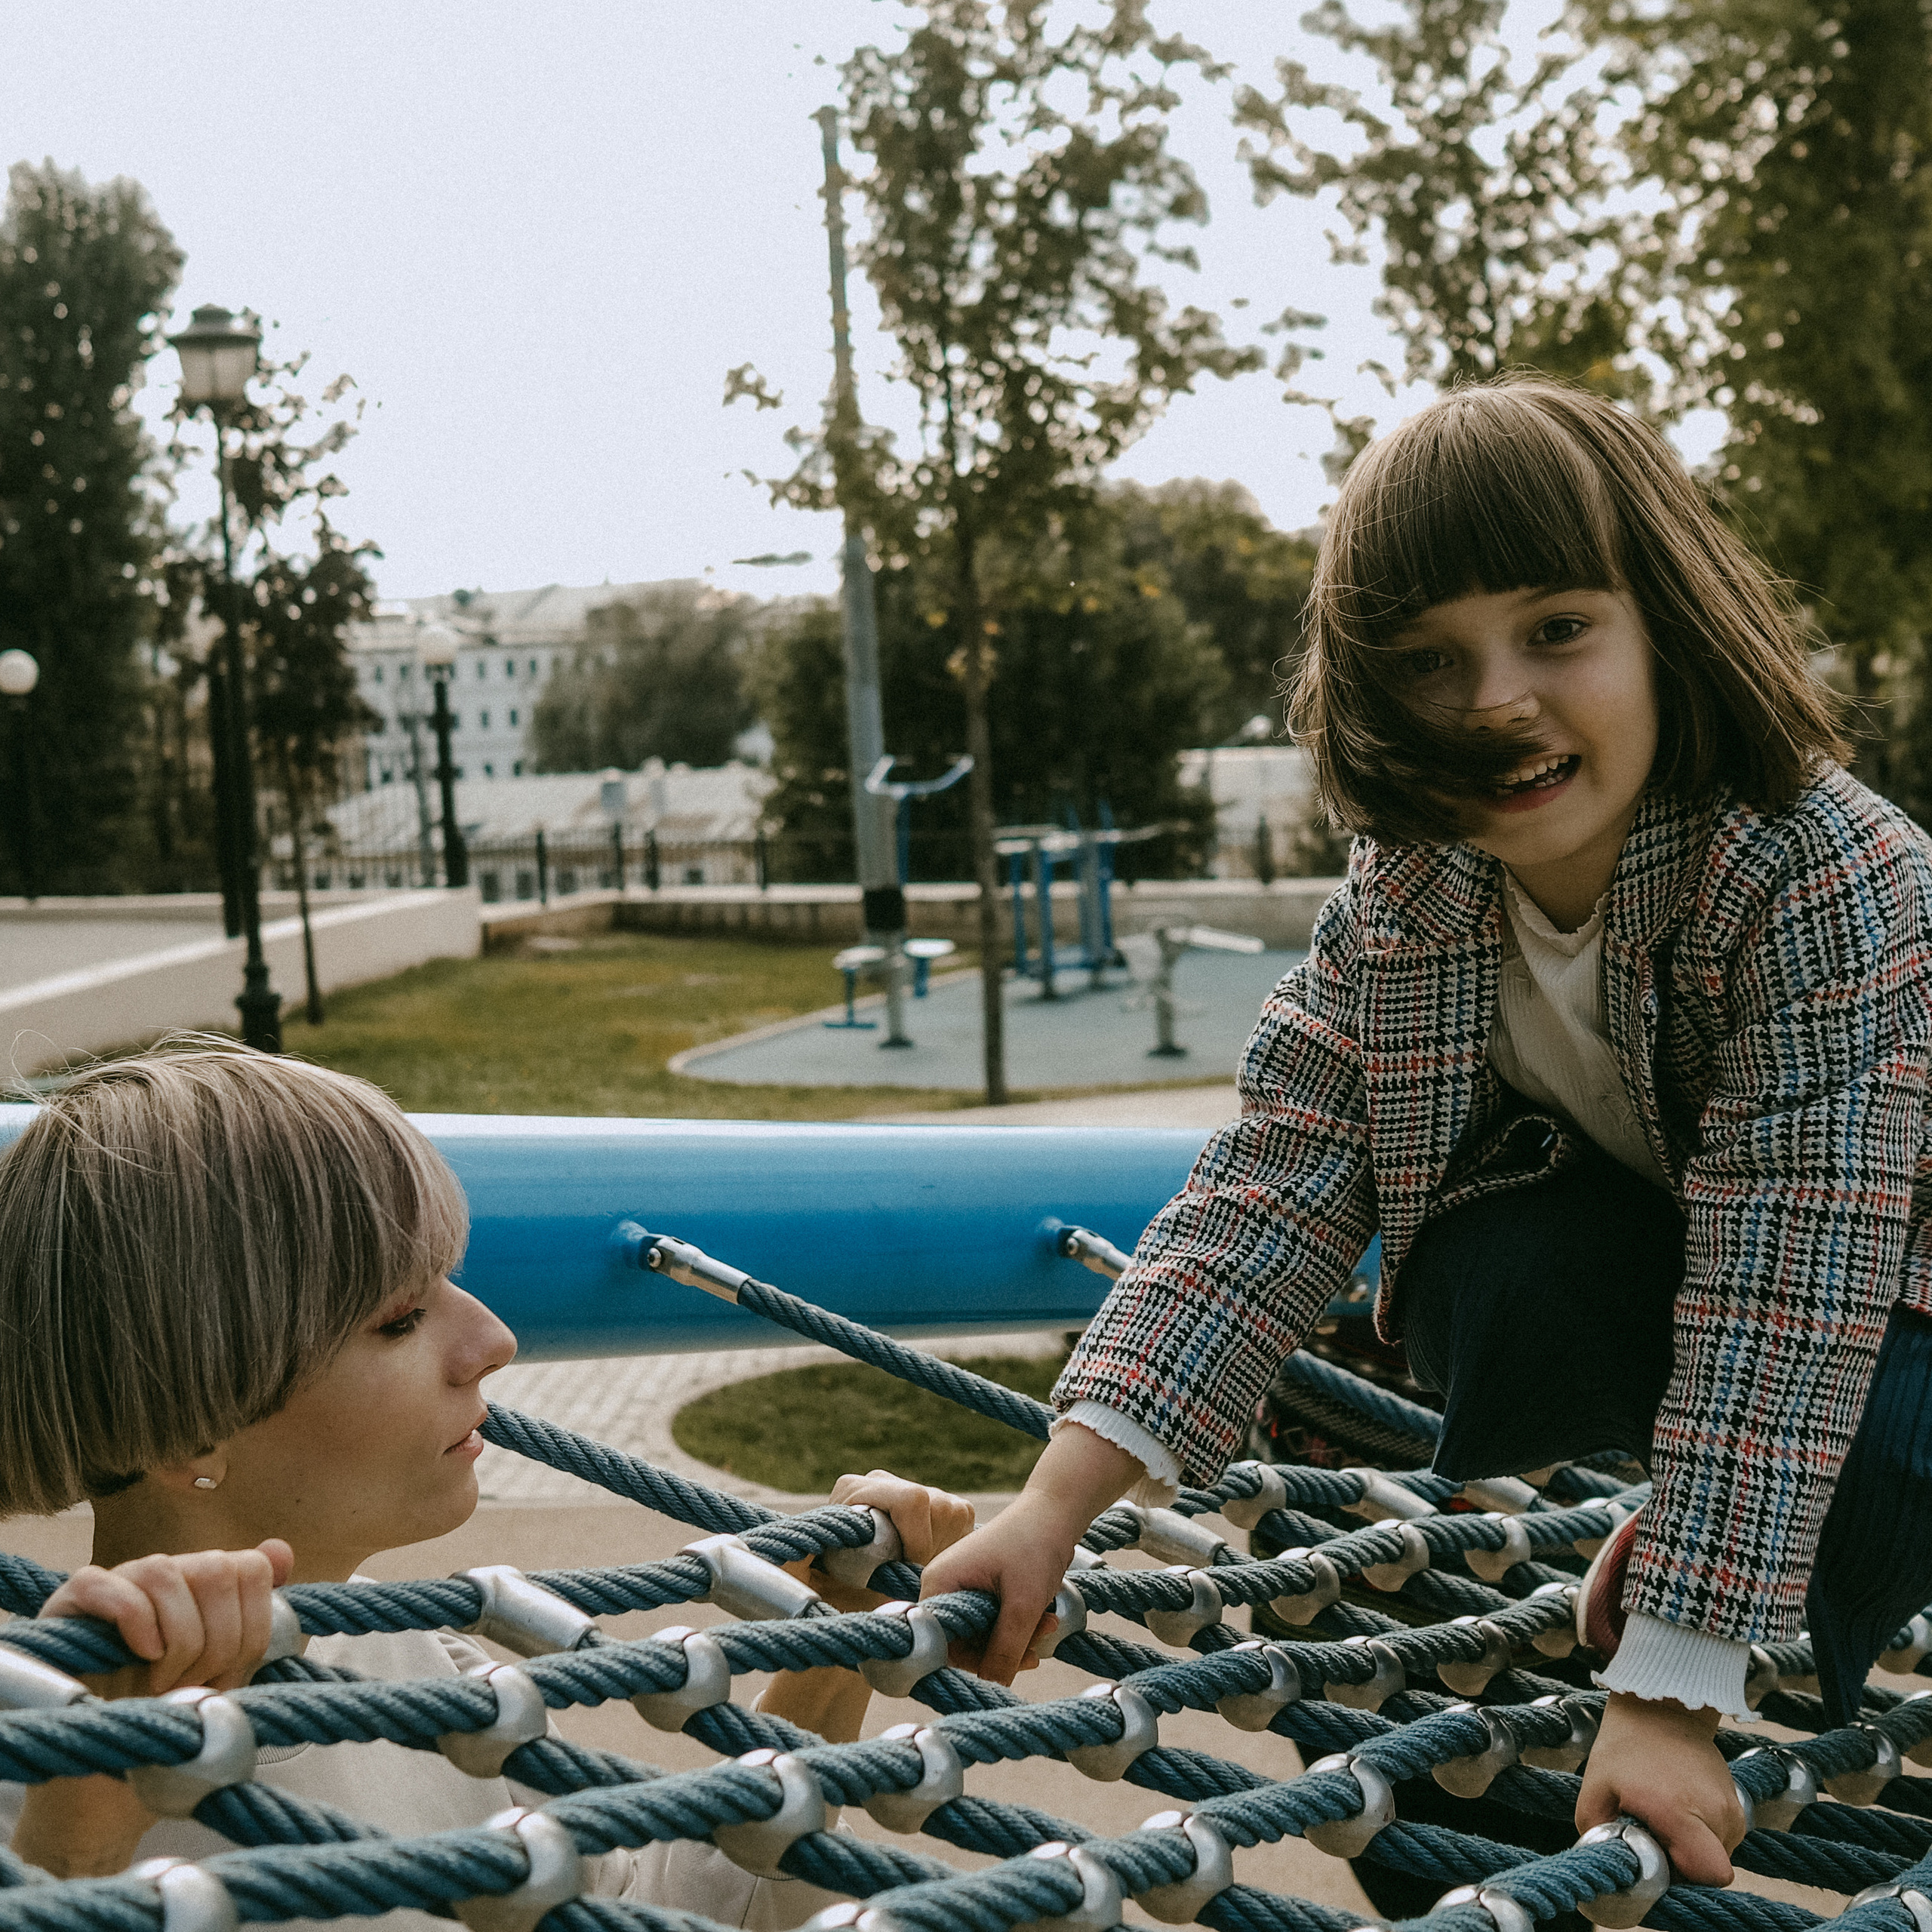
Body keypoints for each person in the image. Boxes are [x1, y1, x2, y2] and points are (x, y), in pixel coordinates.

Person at [922, 372, 1932, 1890]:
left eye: (1554, 629)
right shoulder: (1409, 895)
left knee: (1863, 1448)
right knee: (1482, 1268)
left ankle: (1730, 1614)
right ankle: (1658, 1610)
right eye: (1425, 660)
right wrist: (1049, 1507)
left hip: (1886, 1299)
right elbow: (1265, 1185)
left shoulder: (1814, 869)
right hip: (1750, 1288)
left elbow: (1793, 1281)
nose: (1493, 700)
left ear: (1660, 617)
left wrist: (1666, 1688)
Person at [0, 1042, 974, 1930]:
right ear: (187, 1418)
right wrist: (80, 1838)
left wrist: (832, 1647)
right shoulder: (36, 1762)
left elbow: (654, 1916)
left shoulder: (431, 1679)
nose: (494, 1342)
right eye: (401, 1317)